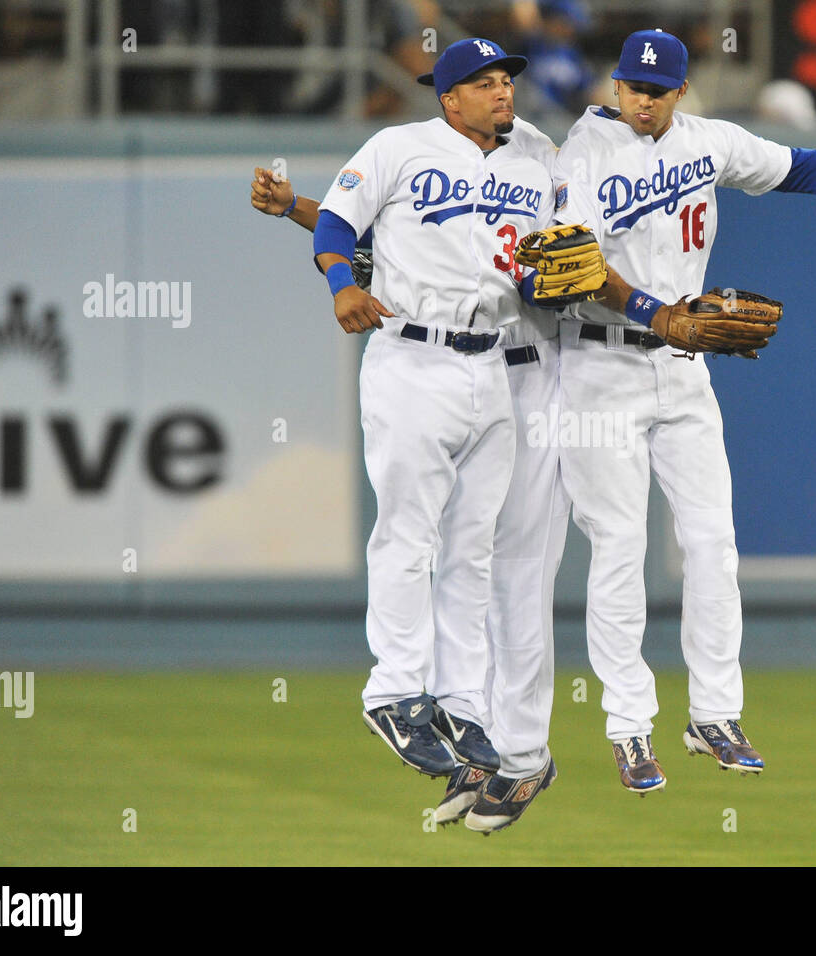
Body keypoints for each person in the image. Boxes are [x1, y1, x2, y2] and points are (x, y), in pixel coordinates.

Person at [553, 28, 816, 793]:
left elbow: (794, 167)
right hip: (598, 366)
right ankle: (629, 727)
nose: (644, 100)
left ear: (680, 92)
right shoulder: (582, 153)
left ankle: (714, 714)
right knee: (620, 549)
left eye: (658, 90)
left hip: (685, 368)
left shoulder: (707, 141)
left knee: (713, 544)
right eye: (633, 87)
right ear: (614, 86)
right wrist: (658, 312)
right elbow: (575, 264)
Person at [256, 37, 570, 832]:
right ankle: (394, 691)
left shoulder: (532, 166)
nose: (502, 94)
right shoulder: (398, 147)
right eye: (485, 83)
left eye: (507, 81)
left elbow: (536, 268)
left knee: (472, 547)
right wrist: (337, 285)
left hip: (492, 364)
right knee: (408, 534)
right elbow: (339, 220)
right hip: (411, 358)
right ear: (448, 95)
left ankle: (462, 705)